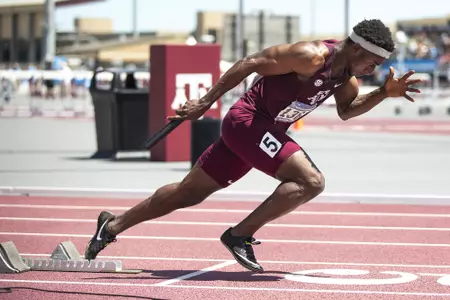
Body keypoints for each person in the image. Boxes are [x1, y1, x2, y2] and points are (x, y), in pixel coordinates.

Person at [84, 19, 422, 273]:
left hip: (260, 134)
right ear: (356, 49)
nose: (371, 71)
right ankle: (239, 235)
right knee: (311, 181)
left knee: (188, 192)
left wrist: (382, 93)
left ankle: (112, 224)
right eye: (372, 64)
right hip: (247, 123)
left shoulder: (344, 78)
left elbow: (347, 111)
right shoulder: (310, 55)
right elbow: (250, 62)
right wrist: (205, 102)